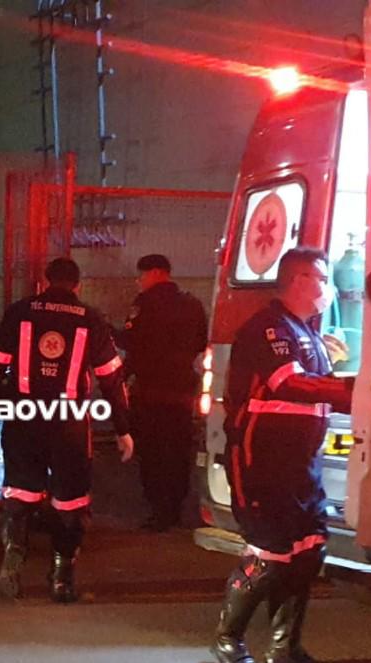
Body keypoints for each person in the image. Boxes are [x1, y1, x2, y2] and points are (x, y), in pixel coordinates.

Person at [212, 248, 354, 663]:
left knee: (307, 551)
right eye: (322, 279)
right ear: (299, 280)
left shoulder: (305, 331)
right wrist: (356, 392)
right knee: (269, 553)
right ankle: (227, 639)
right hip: (262, 461)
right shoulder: (269, 329)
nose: (328, 289)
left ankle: (284, 647)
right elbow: (289, 384)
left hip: (300, 465)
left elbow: (319, 384)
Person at [0, 257, 133, 603]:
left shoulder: (19, 312)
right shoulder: (90, 318)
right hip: (70, 420)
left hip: (23, 415)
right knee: (71, 500)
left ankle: (12, 558)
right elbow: (112, 379)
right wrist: (123, 428)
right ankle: (62, 578)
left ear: (43, 282)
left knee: (19, 493)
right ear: (78, 285)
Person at [114, 254, 208, 532]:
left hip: (151, 392)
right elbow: (202, 342)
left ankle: (158, 511)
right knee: (178, 452)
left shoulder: (145, 304)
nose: (138, 282)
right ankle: (175, 509)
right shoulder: (192, 304)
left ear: (156, 273)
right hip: (181, 392)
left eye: (141, 276)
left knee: (153, 454)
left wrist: (107, 332)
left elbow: (132, 342)